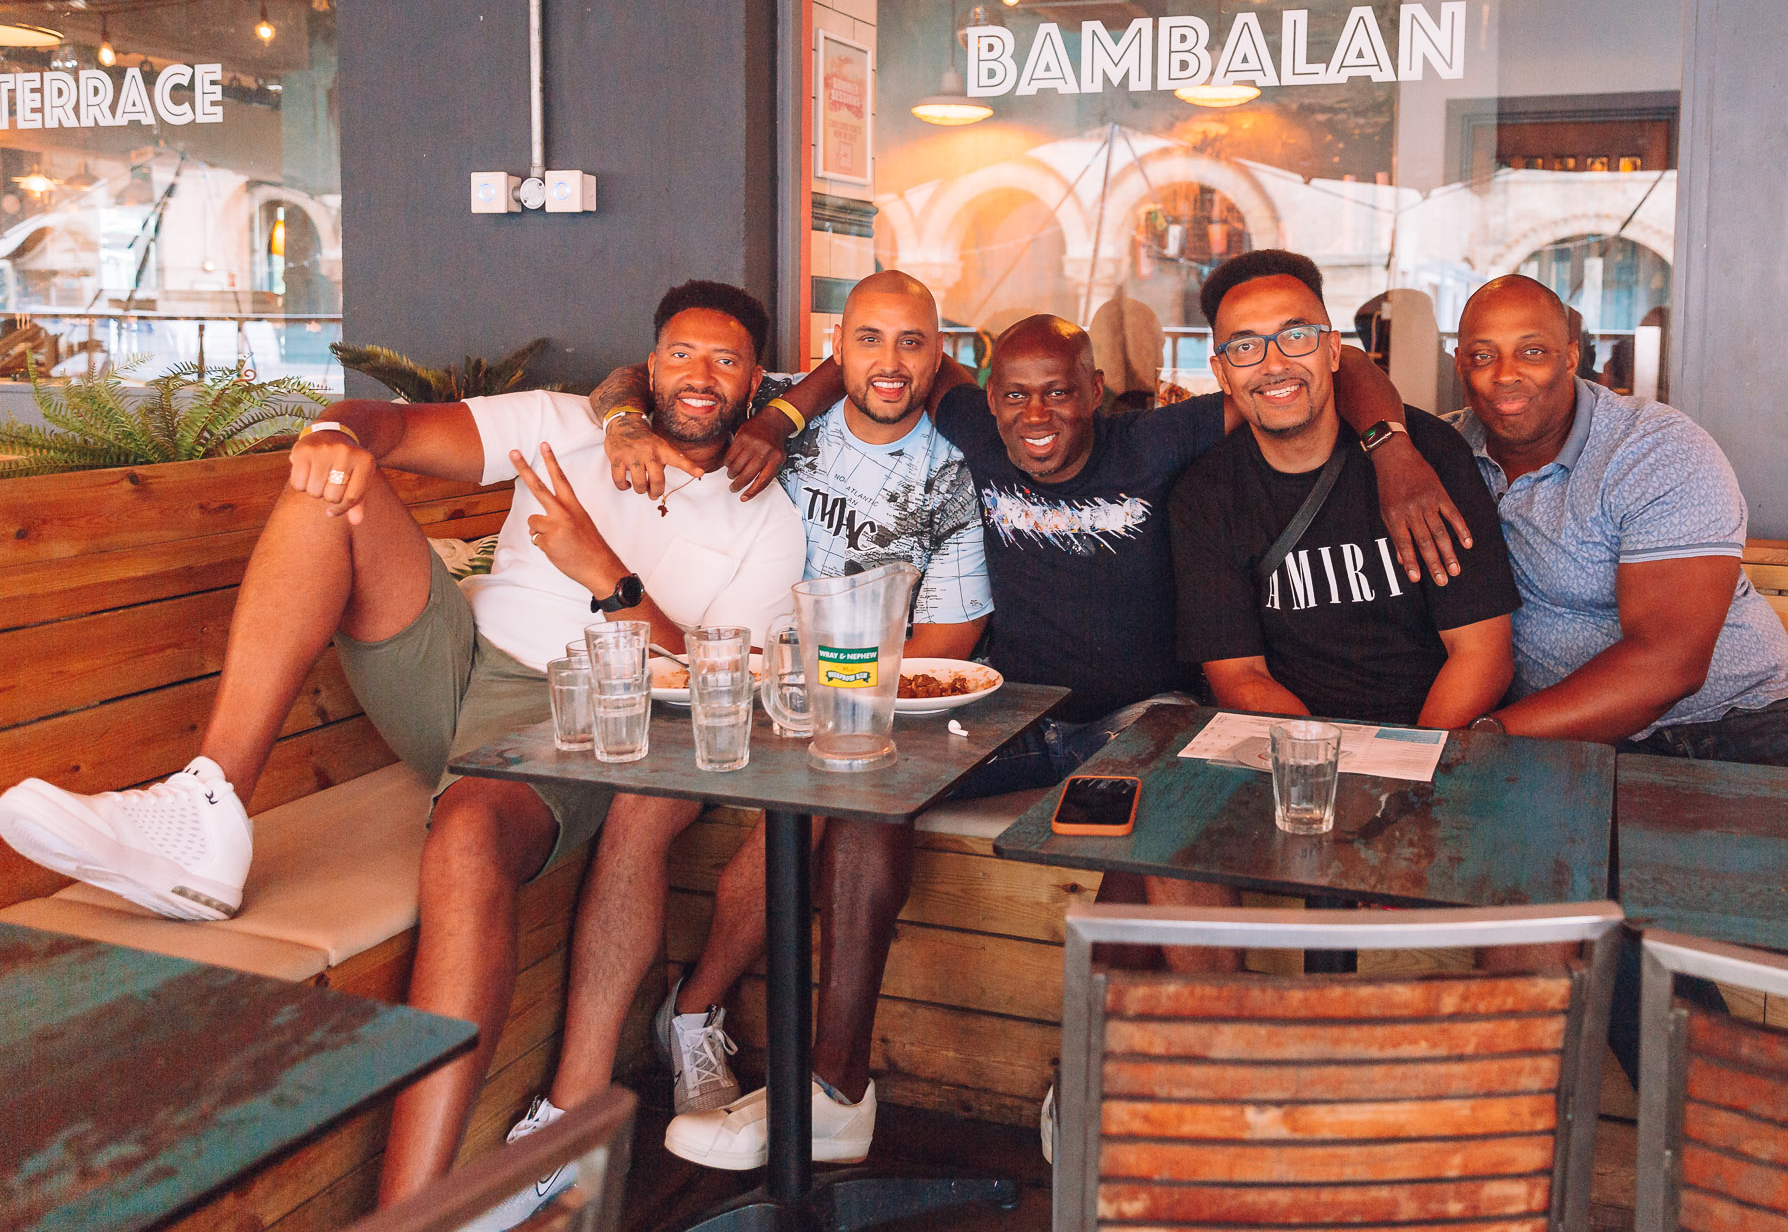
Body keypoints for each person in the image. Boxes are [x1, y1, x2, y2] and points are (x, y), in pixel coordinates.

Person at [590, 258, 1478, 1156]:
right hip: (1008, 713)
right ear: (987, 397)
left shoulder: (1154, 441)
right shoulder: (970, 419)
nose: (1036, 414)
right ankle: (835, 1090)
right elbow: (873, 364)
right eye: (1015, 395)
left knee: (1154, 810)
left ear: (1096, 390)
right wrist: (780, 414)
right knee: (863, 786)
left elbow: (1311, 374)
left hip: (1138, 715)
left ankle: (1102, 1084)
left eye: (1059, 392)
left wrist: (1390, 444)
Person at [0, 281, 808, 1210]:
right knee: (332, 488)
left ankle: (409, 1214)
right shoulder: (565, 424)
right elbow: (390, 426)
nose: (700, 376)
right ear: (651, 363)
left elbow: (720, 683)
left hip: (576, 713)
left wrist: (606, 576)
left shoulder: (763, 519)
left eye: (725, 361)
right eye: (682, 354)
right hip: (449, 660)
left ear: (755, 382)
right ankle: (207, 802)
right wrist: (333, 432)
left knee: (466, 840)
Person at [552, 272, 989, 1182]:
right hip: (720, 670)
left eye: (912, 342)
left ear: (939, 354)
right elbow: (637, 379)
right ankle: (575, 1110)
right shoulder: (774, 413)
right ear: (835, 347)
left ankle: (696, 1011)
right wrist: (626, 424)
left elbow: (947, 646)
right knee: (642, 801)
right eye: (869, 339)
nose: (890, 362)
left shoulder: (953, 472)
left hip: (851, 701)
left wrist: (831, 691)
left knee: (825, 793)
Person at [1449, 273, 1788, 777]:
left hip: (1743, 726)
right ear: (1460, 364)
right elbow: (1366, 382)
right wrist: (1392, 448)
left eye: (1532, 352)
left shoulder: (1652, 448)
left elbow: (1669, 663)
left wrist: (1485, 738)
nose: (1505, 374)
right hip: (1570, 749)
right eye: (1483, 356)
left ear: (1571, 357)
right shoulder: (1442, 456)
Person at [1172, 252, 1519, 727]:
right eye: (1245, 346)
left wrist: (1409, 760)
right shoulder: (1206, 495)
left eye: (1296, 336)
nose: (1274, 364)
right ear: (1221, 374)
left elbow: (1482, 653)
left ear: (1333, 351)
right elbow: (1241, 676)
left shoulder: (1427, 455)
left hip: (1436, 738)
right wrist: (1317, 761)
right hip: (1293, 746)